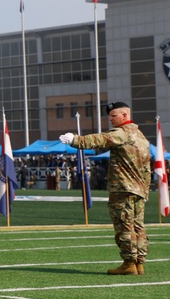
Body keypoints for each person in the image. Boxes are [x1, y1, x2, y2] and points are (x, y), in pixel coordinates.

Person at [60, 102, 152, 275]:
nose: (110, 119)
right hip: (139, 189)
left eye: (114, 116)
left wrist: (75, 140)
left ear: (125, 115)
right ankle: (139, 262)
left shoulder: (122, 133)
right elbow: (147, 166)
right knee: (138, 226)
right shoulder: (140, 135)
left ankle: (129, 262)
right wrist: (145, 189)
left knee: (124, 225)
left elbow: (100, 140)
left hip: (123, 188)